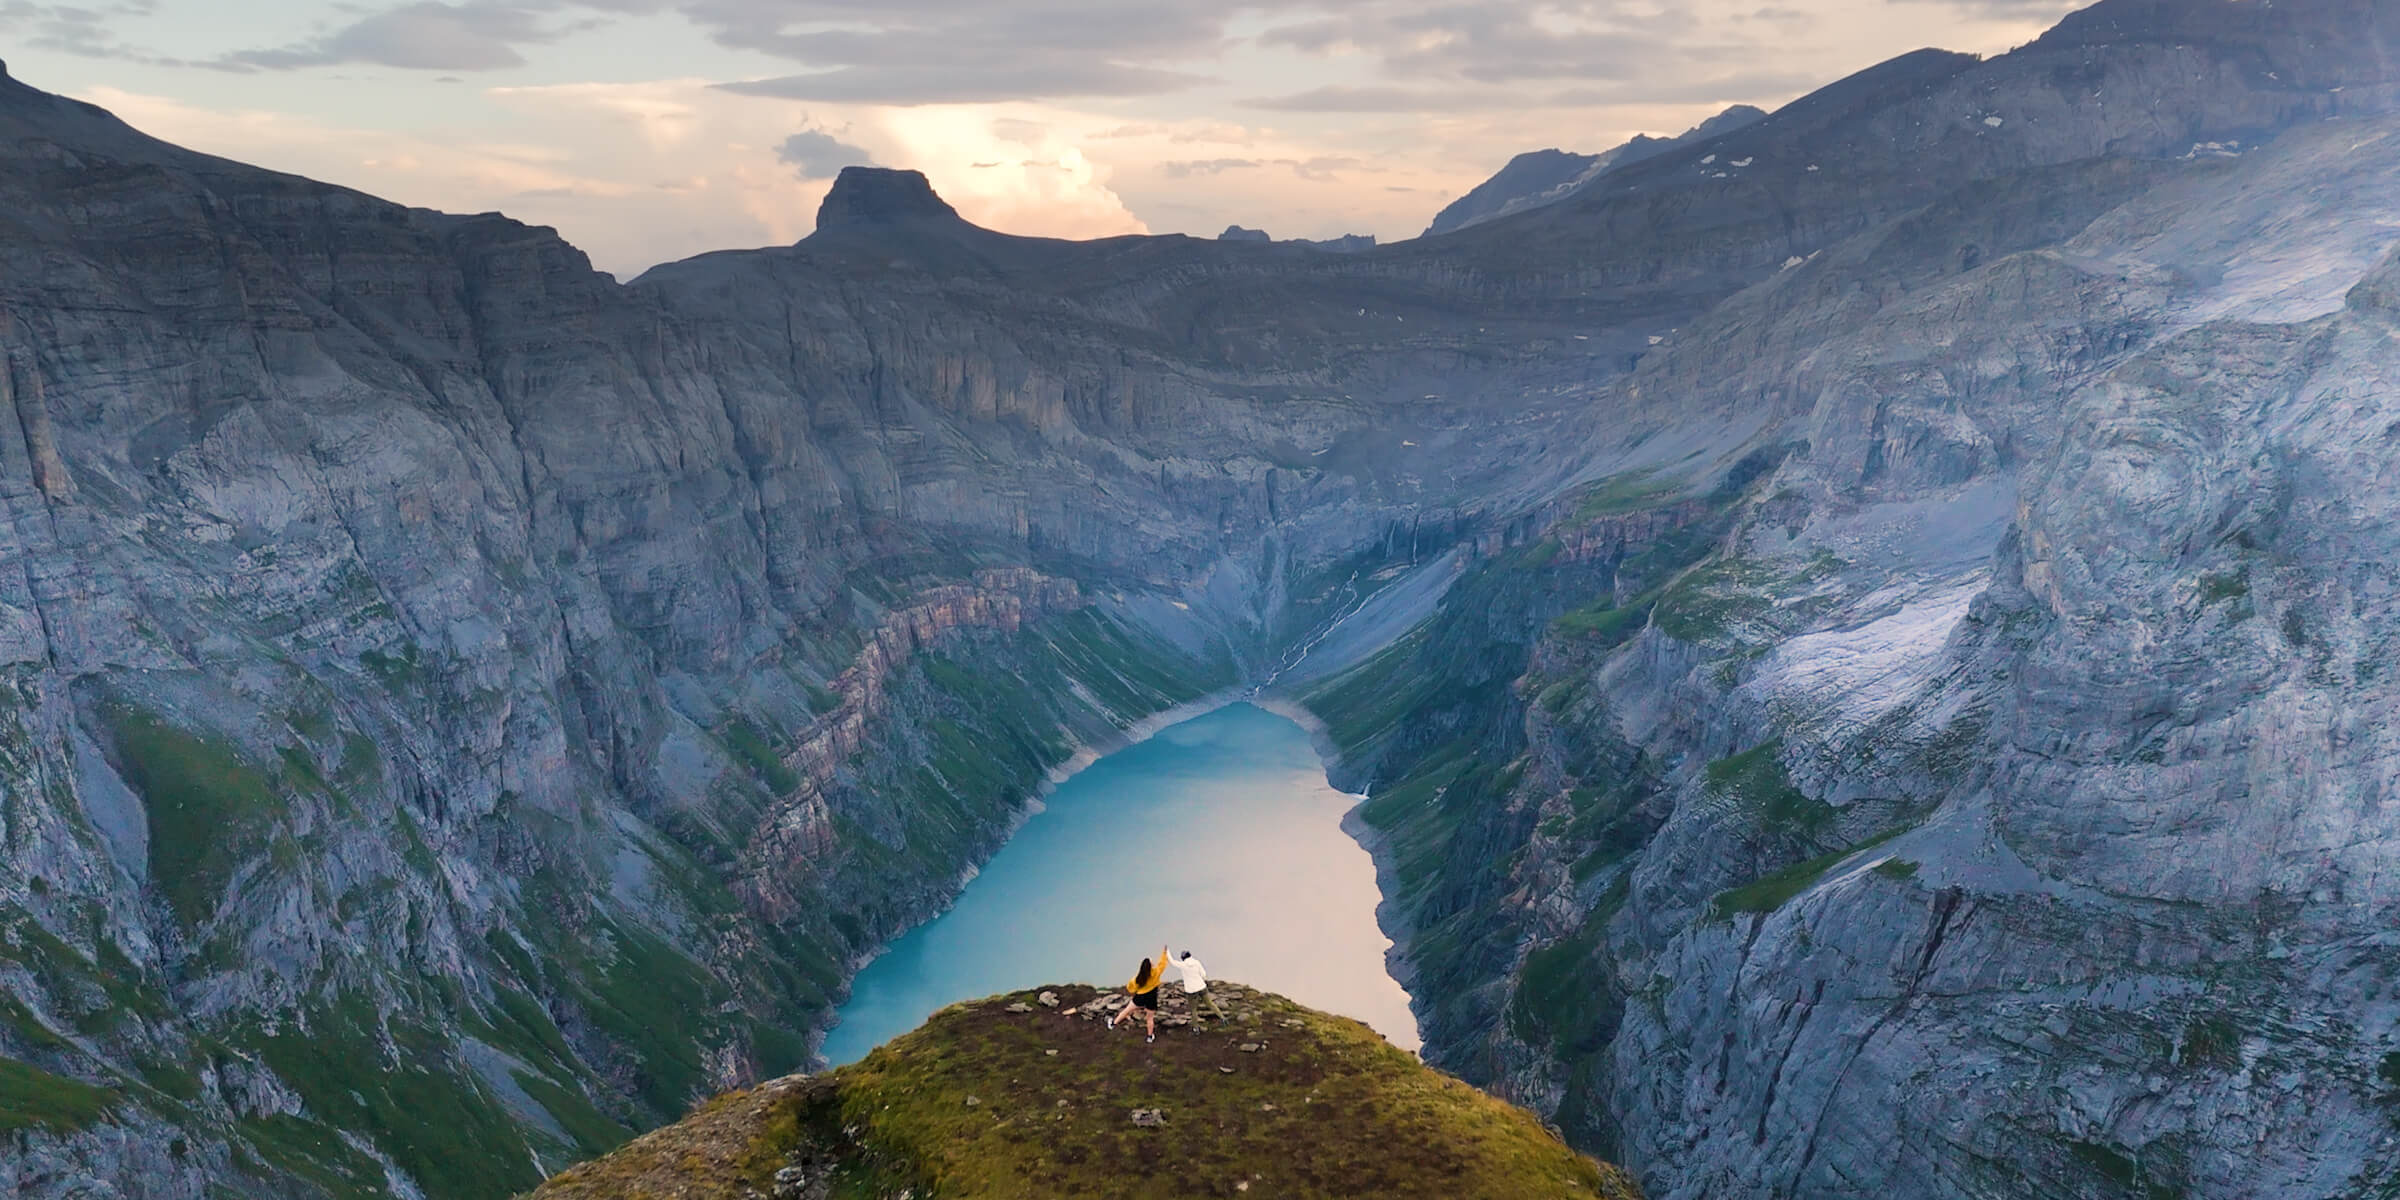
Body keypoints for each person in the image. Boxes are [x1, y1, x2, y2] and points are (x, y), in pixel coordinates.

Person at [1109, 944, 1169, 1042]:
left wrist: (1134, 990)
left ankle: (1113, 1024)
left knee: (1127, 1010)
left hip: (1140, 997)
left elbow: (1130, 987)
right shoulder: (1156, 972)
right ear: (1151, 966)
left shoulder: (1138, 978)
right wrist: (1164, 952)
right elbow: (1162, 963)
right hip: (1151, 998)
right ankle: (1150, 1037)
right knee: (1150, 1018)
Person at [1174, 950, 1228, 1021]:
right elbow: (1203, 974)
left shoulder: (1183, 965)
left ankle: (1196, 1029)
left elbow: (1173, 962)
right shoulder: (1197, 962)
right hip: (1202, 987)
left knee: (1193, 1009)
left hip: (1192, 990)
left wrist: (1167, 953)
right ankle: (1223, 1018)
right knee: (1210, 1003)